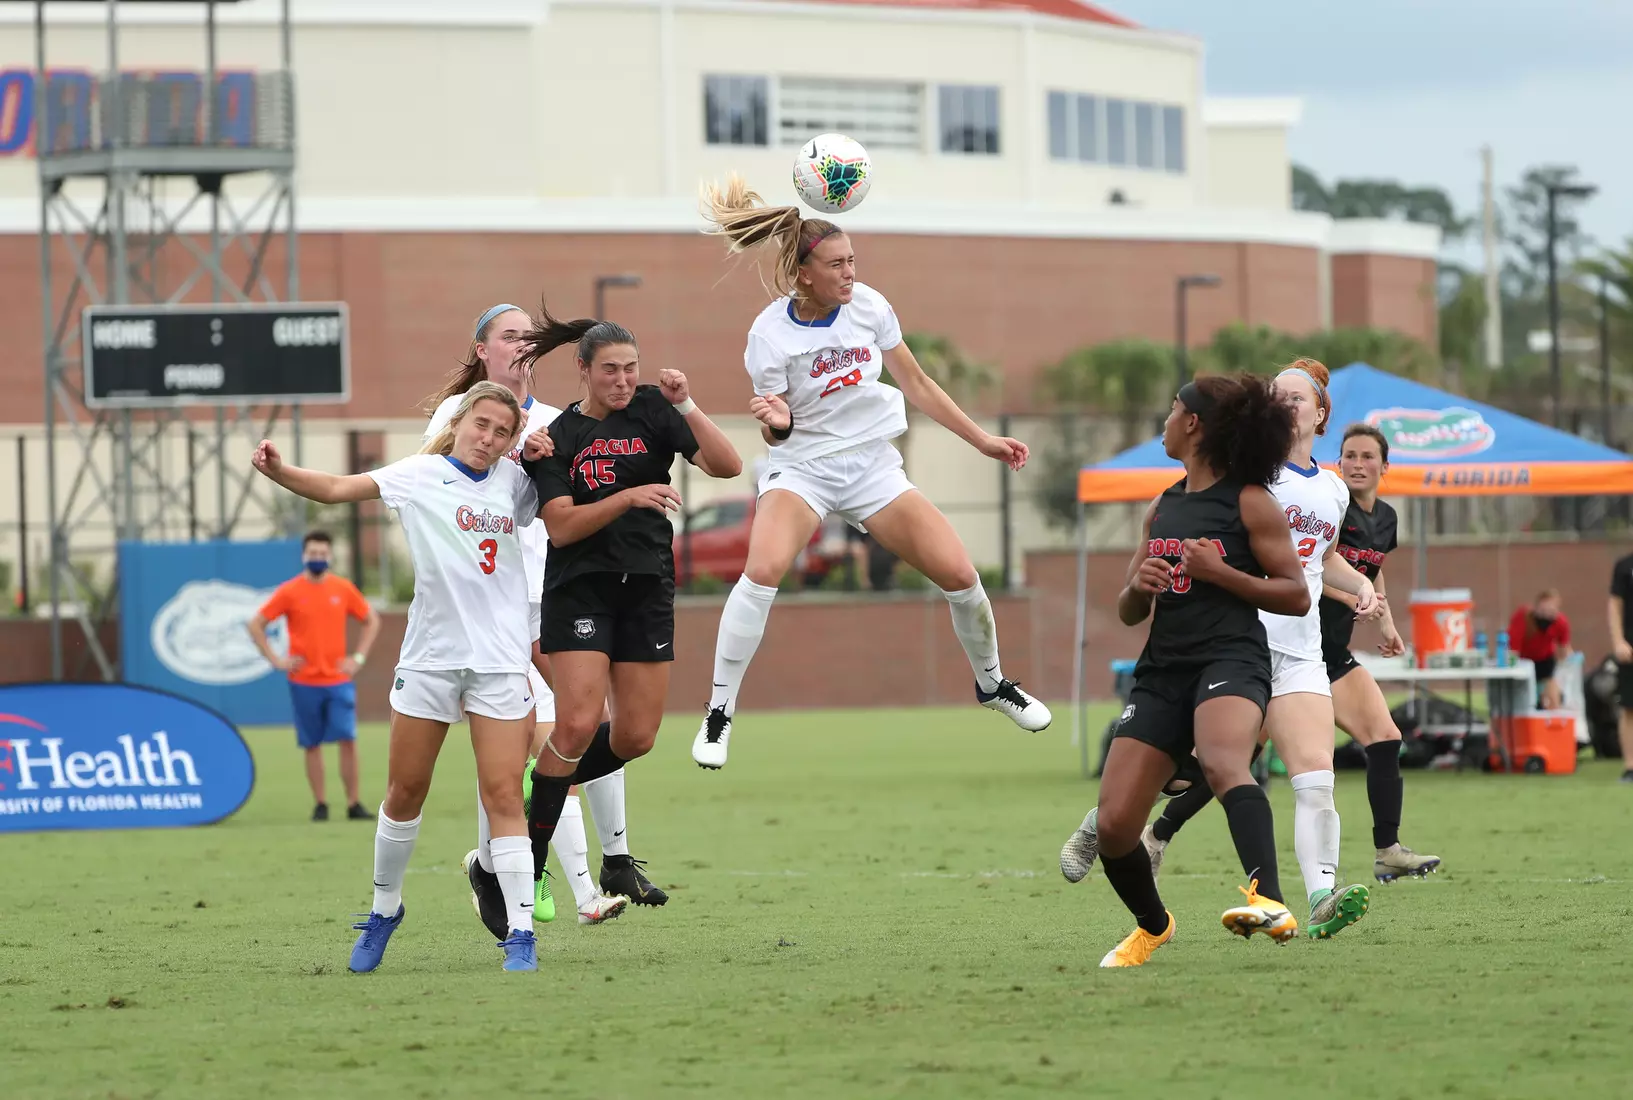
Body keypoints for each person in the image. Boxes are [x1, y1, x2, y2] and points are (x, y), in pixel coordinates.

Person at [690, 176, 1050, 769]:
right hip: (804, 468)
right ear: (804, 274)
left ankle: (992, 684)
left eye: (852, 260)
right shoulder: (768, 334)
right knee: (761, 572)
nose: (849, 273)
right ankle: (720, 711)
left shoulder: (870, 306)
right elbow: (776, 432)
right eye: (836, 264)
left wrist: (983, 440)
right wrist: (778, 422)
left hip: (872, 466)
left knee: (961, 575)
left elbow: (918, 384)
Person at [1068, 361, 1385, 944]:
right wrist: (1139, 587)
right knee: (1125, 819)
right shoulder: (1169, 503)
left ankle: (1290, 899)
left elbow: (1302, 584)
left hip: (1247, 655)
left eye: (1171, 410)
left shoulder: (1270, 498)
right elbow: (1129, 610)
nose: (1164, 420)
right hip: (1171, 665)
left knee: (1250, 765)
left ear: (1193, 423)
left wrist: (1224, 573)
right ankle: (1151, 911)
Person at [253, 380, 548, 973]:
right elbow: (335, 489)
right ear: (459, 421)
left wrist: (547, 455)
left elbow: (572, 493)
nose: (488, 439)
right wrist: (279, 471)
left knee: (502, 796)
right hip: (429, 661)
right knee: (405, 792)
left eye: (502, 432)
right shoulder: (418, 474)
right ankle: (384, 910)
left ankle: (521, 934)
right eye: (481, 424)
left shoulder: (518, 482)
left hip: (499, 663)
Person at [515, 307, 743, 903]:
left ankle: (538, 791)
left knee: (636, 736)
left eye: (630, 368)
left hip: (646, 588)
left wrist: (686, 404)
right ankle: (521, 861)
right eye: (610, 370)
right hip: (581, 590)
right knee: (576, 723)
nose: (622, 380)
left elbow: (728, 466)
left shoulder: (654, 409)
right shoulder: (557, 438)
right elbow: (561, 527)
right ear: (583, 369)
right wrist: (627, 497)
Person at [424, 304, 635, 931]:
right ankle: (548, 879)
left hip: (558, 595)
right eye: (508, 336)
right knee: (529, 742)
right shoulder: (461, 415)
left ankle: (602, 864)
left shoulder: (556, 420)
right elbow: (436, 492)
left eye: (528, 336)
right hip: (493, 608)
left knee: (582, 726)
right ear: (482, 350)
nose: (521, 345)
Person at [247, 530, 380, 822]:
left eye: (322, 553)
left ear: (330, 556)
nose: (317, 558)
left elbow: (371, 620)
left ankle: (353, 803)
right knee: (311, 743)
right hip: (303, 680)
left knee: (348, 739)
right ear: (303, 556)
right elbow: (256, 624)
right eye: (312, 553)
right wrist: (276, 660)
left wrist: (358, 658)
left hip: (338, 680)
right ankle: (320, 803)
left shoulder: (342, 589)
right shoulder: (290, 591)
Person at [1510, 590, 1573, 710]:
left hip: (1545, 660)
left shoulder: (1560, 622)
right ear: (1535, 608)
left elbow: (1565, 648)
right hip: (1524, 661)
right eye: (1543, 611)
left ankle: (1554, 713)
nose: (1546, 616)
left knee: (1552, 693)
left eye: (1551, 612)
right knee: (1525, 698)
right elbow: (1513, 650)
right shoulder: (1523, 618)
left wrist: (1570, 666)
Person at [1608, 552, 1633, 782]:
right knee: (1629, 708)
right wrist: (1618, 641)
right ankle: (1630, 767)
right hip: (1630, 649)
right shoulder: (1624, 566)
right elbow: (1615, 605)